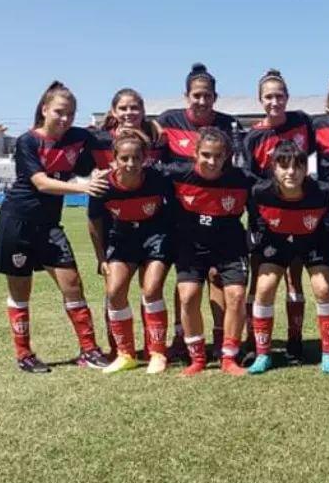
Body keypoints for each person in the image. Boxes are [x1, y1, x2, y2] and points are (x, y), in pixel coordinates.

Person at [0, 81, 110, 373]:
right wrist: (83, 188)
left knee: (72, 284)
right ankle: (24, 355)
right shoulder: (27, 142)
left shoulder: (79, 138)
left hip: (49, 226)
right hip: (16, 223)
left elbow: (106, 144)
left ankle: (89, 351)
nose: (65, 118)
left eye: (71, 113)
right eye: (59, 111)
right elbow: (41, 183)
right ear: (45, 110)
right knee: (21, 292)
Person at [156, 64, 243, 361]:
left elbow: (240, 167)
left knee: (218, 277)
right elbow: (155, 163)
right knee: (186, 283)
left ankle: (221, 340)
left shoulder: (228, 124)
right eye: (196, 95)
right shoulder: (168, 120)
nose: (202, 101)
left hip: (219, 206)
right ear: (186, 96)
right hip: (182, 210)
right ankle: (182, 338)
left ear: (215, 97)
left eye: (207, 96)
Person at [158, 127, 254, 377]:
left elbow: (270, 191)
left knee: (235, 295)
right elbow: (143, 174)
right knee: (188, 297)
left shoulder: (242, 179)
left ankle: (229, 357)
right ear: (195, 153)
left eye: (218, 156)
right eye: (206, 155)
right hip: (191, 245)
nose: (212, 161)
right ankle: (197, 358)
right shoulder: (176, 175)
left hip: (230, 245)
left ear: (227, 156)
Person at [246, 140, 329, 374]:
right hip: (277, 243)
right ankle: (262, 354)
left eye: (298, 166)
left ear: (305, 169)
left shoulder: (323, 192)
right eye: (284, 166)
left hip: (312, 243)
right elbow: (256, 222)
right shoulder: (261, 192)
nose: (291, 172)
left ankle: (328, 353)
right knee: (264, 288)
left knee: (322, 288)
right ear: (273, 167)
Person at [243, 69, 316, 362]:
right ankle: (254, 342)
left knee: (294, 279)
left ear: (287, 97)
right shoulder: (253, 137)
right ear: (261, 100)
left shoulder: (302, 122)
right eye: (269, 97)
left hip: (298, 212)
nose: (275, 102)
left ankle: (295, 342)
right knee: (260, 280)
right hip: (265, 215)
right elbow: (249, 179)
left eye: (279, 96)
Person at [87, 129, 174, 374]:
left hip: (155, 237)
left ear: (145, 158)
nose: (131, 163)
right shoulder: (103, 185)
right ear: (114, 159)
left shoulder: (158, 179)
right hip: (122, 239)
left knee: (152, 289)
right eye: (124, 158)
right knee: (114, 292)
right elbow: (94, 223)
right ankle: (126, 354)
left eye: (136, 158)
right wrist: (101, 257)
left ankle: (157, 352)